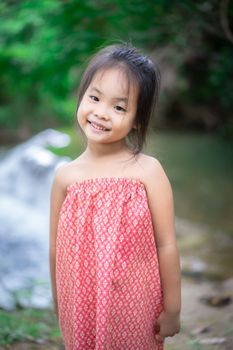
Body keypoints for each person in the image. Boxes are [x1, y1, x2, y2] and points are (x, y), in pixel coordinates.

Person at [49, 43, 181, 350]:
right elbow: (56, 249)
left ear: (137, 118)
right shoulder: (65, 177)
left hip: (136, 303)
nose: (101, 113)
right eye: (94, 98)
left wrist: (172, 309)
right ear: (82, 97)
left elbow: (167, 245)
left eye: (119, 107)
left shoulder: (148, 171)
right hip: (80, 304)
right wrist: (59, 303)